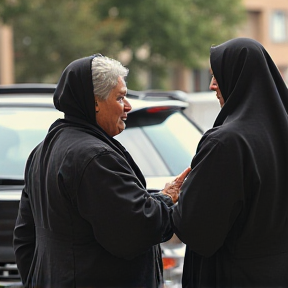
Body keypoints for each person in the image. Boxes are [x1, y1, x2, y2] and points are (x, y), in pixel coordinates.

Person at [13, 54, 190, 288]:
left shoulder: (43, 150)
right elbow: (135, 231)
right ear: (94, 101)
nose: (128, 107)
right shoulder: (94, 157)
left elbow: (24, 240)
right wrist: (166, 200)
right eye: (120, 97)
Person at [172, 37, 288, 287]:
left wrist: (178, 199)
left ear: (239, 77)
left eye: (218, 75)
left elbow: (197, 230)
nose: (213, 85)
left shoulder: (227, 143)